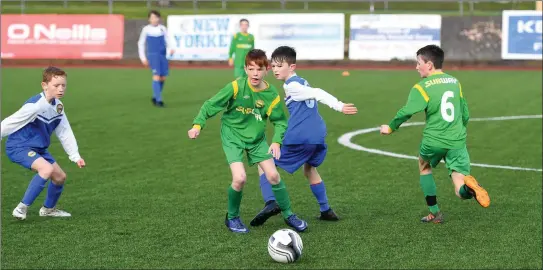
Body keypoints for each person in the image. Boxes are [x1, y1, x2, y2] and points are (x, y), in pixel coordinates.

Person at [187, 49, 308, 233]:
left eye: (259, 69)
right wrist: (197, 125)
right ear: (245, 69)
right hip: (232, 136)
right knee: (240, 178)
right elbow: (211, 105)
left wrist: (276, 141)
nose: (255, 74)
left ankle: (288, 214)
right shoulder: (235, 87)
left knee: (274, 176)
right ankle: (232, 218)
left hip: (256, 139)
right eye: (251, 69)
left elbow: (280, 122)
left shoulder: (271, 94)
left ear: (266, 70)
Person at [379, 45, 490, 224]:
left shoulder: (422, 87)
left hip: (434, 141)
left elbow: (407, 111)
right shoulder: (454, 82)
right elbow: (465, 112)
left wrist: (390, 127)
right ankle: (469, 190)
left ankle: (434, 212)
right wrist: (459, 131)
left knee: (424, 166)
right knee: (459, 187)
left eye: (418, 63)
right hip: (457, 141)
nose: (416, 67)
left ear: (429, 65)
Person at [250, 46, 358, 227]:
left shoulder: (291, 85)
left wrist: (338, 105)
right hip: (317, 136)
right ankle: (326, 210)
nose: (275, 69)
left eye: (279, 66)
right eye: (273, 66)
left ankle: (270, 202)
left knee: (264, 162)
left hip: (301, 136)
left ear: (291, 67)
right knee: (309, 169)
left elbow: (318, 93)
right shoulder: (301, 81)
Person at [1, 66, 86, 220]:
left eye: (63, 85)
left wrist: (75, 155)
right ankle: (21, 208)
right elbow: (11, 122)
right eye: (56, 85)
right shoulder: (35, 106)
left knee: (60, 177)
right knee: (46, 169)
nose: (61, 89)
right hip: (19, 146)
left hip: (38, 148)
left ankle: (48, 209)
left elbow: (64, 131)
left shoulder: (58, 106)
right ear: (44, 85)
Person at [138, 10, 174, 107]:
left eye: (156, 17)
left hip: (162, 55)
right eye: (152, 17)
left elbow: (168, 40)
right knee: (156, 76)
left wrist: (171, 49)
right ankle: (159, 100)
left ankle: (155, 96)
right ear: (149, 19)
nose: (154, 19)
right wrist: (143, 58)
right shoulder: (146, 29)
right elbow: (141, 43)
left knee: (163, 78)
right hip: (153, 56)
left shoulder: (162, 28)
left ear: (159, 18)